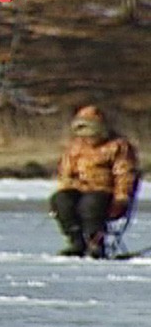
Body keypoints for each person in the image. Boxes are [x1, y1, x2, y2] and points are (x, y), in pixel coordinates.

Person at [50, 105, 139, 259]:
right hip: (79, 189)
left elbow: (124, 174)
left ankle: (95, 242)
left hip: (105, 192)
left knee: (90, 204)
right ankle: (76, 241)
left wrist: (121, 197)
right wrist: (64, 188)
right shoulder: (75, 147)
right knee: (62, 200)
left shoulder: (118, 146)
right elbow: (65, 172)